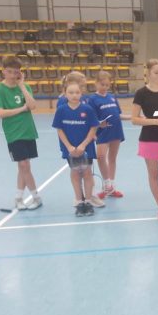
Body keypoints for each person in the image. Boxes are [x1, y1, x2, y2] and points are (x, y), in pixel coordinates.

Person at [0, 55, 42, 211]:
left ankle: (18, 198)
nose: (13, 75)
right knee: (24, 164)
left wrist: (22, 86)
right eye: (10, 72)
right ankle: (36, 197)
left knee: (23, 166)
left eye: (16, 72)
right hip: (13, 133)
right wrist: (21, 109)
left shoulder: (24, 86)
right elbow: (0, 112)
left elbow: (32, 106)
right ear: (3, 71)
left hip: (28, 130)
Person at [131, 59, 158, 221]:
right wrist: (156, 122)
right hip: (150, 139)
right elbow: (134, 119)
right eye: (156, 73)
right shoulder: (141, 93)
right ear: (148, 73)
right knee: (154, 173)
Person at [52, 82, 100, 216]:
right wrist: (69, 146)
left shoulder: (87, 109)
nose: (74, 95)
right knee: (75, 172)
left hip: (86, 148)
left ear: (81, 93)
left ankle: (88, 202)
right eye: (71, 92)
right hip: (70, 149)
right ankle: (79, 202)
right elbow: (59, 129)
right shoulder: (61, 110)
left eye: (77, 92)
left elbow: (93, 128)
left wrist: (83, 145)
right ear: (65, 94)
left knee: (87, 173)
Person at [89, 70, 128, 199]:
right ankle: (106, 184)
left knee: (112, 158)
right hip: (102, 132)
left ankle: (111, 187)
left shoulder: (112, 97)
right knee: (101, 156)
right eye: (102, 84)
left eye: (107, 85)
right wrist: (98, 125)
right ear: (96, 83)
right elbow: (91, 119)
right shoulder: (92, 99)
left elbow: (118, 115)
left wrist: (133, 117)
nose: (105, 87)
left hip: (116, 130)